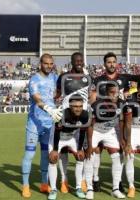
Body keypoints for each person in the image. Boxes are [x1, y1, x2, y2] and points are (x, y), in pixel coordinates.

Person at [90, 52, 140, 192]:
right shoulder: (98, 79)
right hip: (100, 120)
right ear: (104, 64)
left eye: (114, 62)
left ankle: (117, 182)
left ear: (117, 63)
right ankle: (95, 179)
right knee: (97, 151)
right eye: (109, 62)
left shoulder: (125, 78)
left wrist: (131, 91)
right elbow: (93, 97)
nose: (111, 64)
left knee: (119, 151)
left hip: (116, 122)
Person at [21, 53, 61, 198]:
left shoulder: (55, 77)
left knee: (45, 155)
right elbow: (37, 99)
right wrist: (50, 109)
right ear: (40, 64)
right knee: (30, 154)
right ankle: (25, 185)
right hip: (34, 123)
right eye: (46, 63)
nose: (49, 66)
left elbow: (57, 93)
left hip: (49, 124)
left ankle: (44, 184)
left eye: (51, 64)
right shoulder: (34, 79)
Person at [55, 52, 91, 194]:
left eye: (81, 60)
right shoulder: (63, 77)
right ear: (71, 62)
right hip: (67, 116)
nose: (79, 62)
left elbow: (91, 94)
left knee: (83, 151)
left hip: (82, 116)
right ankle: (64, 180)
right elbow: (57, 94)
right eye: (76, 60)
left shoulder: (88, 77)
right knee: (63, 151)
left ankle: (81, 180)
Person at [85, 83, 126, 199]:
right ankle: (89, 188)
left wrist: (122, 138)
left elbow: (122, 121)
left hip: (110, 131)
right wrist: (89, 144)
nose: (115, 95)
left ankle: (115, 189)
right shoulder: (97, 105)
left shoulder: (121, 104)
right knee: (90, 156)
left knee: (117, 156)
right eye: (112, 92)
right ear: (106, 93)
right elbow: (90, 125)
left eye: (117, 92)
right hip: (96, 131)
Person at [48, 94, 91, 200]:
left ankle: (78, 188)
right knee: (53, 159)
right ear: (70, 106)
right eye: (75, 106)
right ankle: (53, 189)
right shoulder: (62, 114)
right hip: (58, 138)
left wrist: (80, 149)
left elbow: (82, 132)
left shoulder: (85, 115)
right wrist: (54, 150)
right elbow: (57, 133)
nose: (78, 109)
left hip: (72, 137)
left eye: (80, 106)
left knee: (81, 157)